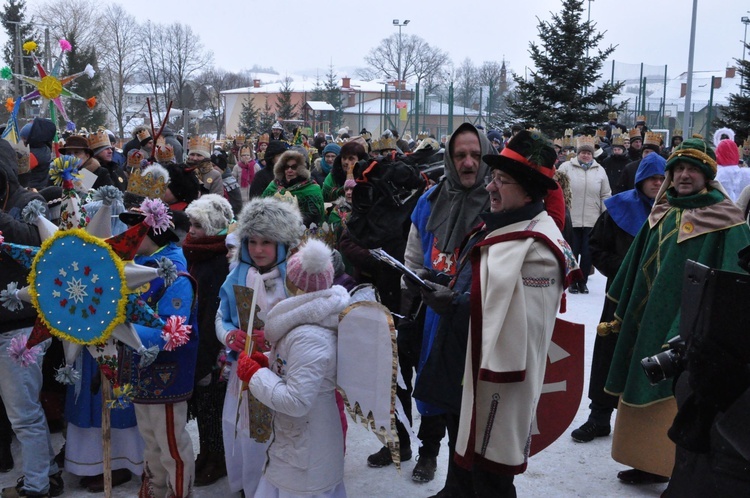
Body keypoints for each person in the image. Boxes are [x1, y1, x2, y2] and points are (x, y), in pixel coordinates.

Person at [425, 129, 578, 497]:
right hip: (465, 363)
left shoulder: (540, 248)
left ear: (529, 191)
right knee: (462, 454)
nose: (490, 187)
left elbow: (520, 327)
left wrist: (455, 303)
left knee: (490, 476)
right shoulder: (502, 224)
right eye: (492, 178)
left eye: (502, 181)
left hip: (497, 384)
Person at [604, 138, 750, 484]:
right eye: (678, 169)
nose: (684, 175)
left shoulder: (725, 218)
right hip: (647, 316)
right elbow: (635, 262)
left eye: (692, 170)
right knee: (642, 377)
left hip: (691, 323)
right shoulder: (663, 209)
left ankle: (673, 464)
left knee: (680, 387)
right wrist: (622, 301)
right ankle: (645, 460)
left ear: (706, 175)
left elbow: (736, 277)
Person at [398, 122, 495, 484]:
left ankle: (465, 473)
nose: (468, 163)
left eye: (476, 155)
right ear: (450, 160)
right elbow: (414, 253)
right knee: (431, 384)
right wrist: (411, 287)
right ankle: (428, 453)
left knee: (467, 399)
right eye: (460, 155)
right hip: (432, 310)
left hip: (477, 313)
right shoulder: (430, 199)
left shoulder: (497, 200)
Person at [236, 239, 350, 497]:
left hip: (307, 454)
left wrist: (256, 375)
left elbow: (297, 400)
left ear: (294, 281)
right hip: (296, 445)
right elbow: (295, 366)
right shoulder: (305, 320)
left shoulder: (309, 334)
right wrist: (268, 363)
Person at [571, 153, 666, 443]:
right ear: (641, 179)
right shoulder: (619, 208)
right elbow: (596, 247)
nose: (658, 183)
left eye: (663, 179)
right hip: (620, 295)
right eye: (653, 178)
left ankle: (643, 428)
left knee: (651, 359)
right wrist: (624, 271)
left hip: (658, 301)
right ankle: (598, 417)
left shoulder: (676, 212)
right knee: (609, 354)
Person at [216, 197, 304, 497]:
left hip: (282, 373)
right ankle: (248, 486)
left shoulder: (293, 280)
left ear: (282, 243)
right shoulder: (237, 274)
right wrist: (228, 336)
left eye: (267, 241)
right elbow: (222, 316)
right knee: (241, 429)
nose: (258, 249)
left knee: (276, 434)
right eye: (252, 241)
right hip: (244, 373)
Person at [119, 204, 199, 498]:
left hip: (166, 369)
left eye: (134, 231)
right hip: (140, 365)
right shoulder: (139, 263)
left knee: (170, 441)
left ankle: (178, 492)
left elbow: (170, 326)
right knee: (150, 438)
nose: (128, 237)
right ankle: (153, 488)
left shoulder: (173, 273)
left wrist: (121, 336)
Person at [0, 138, 64, 498]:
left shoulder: (29, 201)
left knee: (24, 414)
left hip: (21, 327)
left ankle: (38, 487)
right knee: (16, 414)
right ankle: (47, 472)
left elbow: (39, 244)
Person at [183, 194, 234, 486]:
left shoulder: (217, 260)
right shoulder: (196, 253)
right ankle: (207, 452)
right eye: (191, 224)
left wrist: (205, 353)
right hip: (197, 338)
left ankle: (219, 458)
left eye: (198, 225)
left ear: (213, 227)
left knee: (213, 404)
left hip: (213, 346)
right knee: (203, 404)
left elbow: (213, 310)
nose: (191, 231)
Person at [557, 135, 611, 294]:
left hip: (592, 219)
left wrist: (604, 215)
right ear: (577, 153)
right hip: (571, 218)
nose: (586, 155)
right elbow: (558, 189)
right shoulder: (566, 167)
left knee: (588, 253)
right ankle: (572, 281)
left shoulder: (600, 170)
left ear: (592, 154)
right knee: (572, 251)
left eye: (588, 153)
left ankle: (583, 281)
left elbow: (605, 194)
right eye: (583, 153)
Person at [262, 150, 325, 227]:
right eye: (286, 167)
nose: (289, 170)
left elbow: (313, 215)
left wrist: (290, 222)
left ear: (301, 169)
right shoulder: (273, 186)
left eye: (294, 167)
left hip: (302, 232)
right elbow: (262, 208)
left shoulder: (312, 188)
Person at [18, 118, 56, 190]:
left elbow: (19, 169)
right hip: (39, 186)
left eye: (24, 139)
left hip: (33, 189)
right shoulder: (43, 148)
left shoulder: (36, 154)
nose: (22, 141)